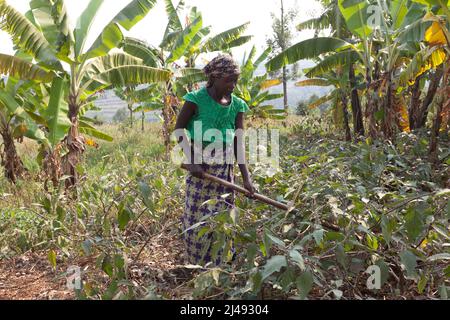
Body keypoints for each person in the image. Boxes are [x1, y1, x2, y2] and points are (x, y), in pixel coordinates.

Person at [174, 54, 256, 266]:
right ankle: (197, 267)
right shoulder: (195, 99)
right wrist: (192, 161)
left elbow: (238, 142)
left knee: (222, 222)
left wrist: (246, 178)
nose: (233, 85)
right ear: (215, 78)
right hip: (200, 170)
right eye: (229, 80)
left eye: (236, 80)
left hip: (224, 172)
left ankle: (221, 270)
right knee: (196, 221)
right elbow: (179, 129)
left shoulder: (237, 105)